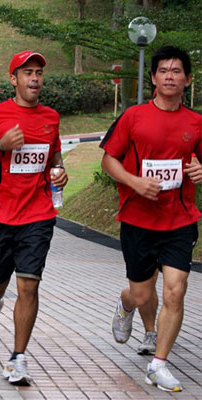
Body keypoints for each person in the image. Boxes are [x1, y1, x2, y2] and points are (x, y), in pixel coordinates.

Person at [0, 50, 68, 386]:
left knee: (29, 286)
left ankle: (18, 357)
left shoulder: (51, 117)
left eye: (39, 73)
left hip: (37, 215)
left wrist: (59, 172)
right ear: (13, 79)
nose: (35, 79)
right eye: (27, 73)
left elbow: (55, 155)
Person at [101, 46, 202, 393]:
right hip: (139, 220)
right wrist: (134, 182)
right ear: (154, 78)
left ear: (187, 80)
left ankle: (158, 365)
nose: (170, 76)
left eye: (177, 71)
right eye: (163, 71)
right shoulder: (134, 117)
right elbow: (108, 160)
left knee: (176, 291)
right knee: (144, 295)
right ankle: (126, 301)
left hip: (180, 220)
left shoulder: (196, 123)